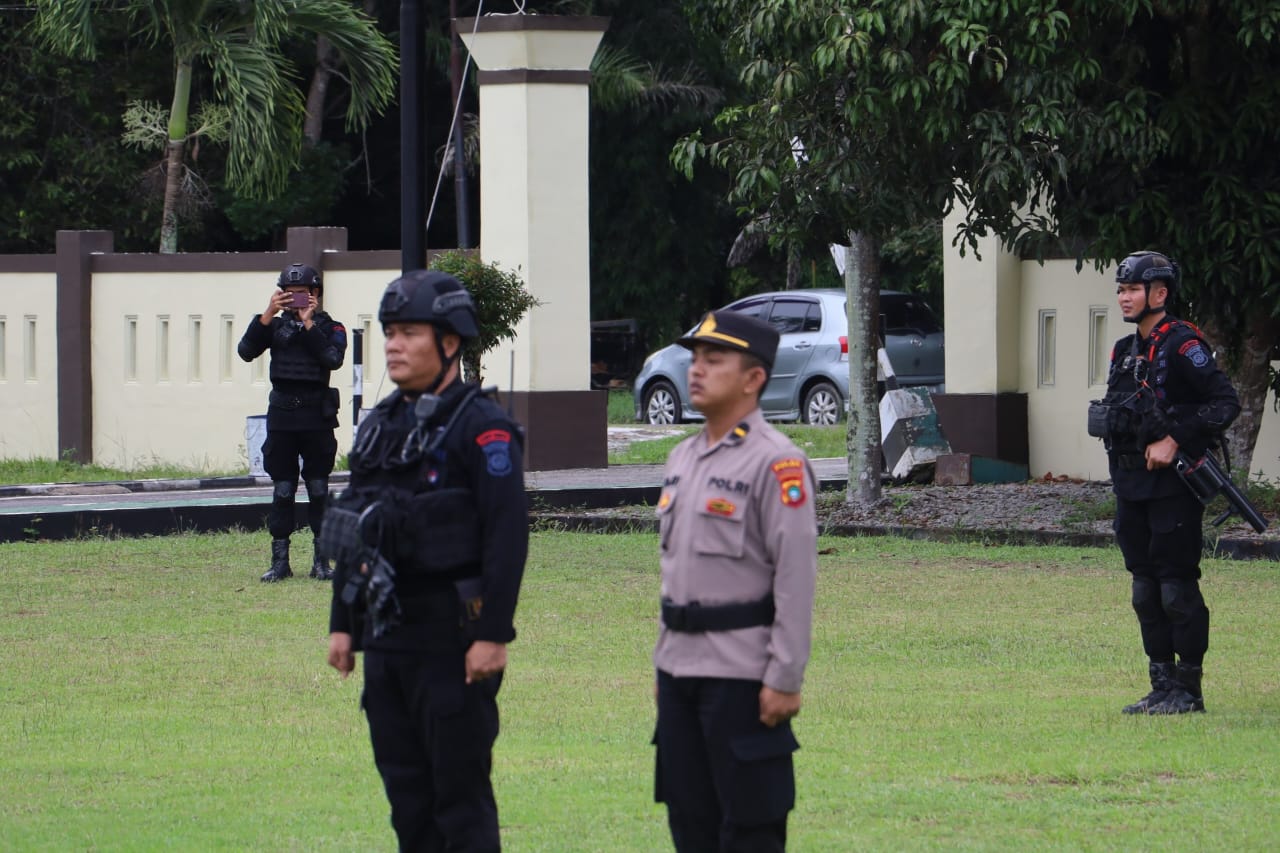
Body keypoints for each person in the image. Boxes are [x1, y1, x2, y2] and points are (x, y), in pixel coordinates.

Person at [324, 270, 528, 851]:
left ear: (449, 343)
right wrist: (342, 625)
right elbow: (352, 527)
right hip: (388, 638)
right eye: (390, 332)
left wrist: (493, 635)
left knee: (459, 802)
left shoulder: (482, 427)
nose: (393, 344)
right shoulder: (379, 427)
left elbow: (506, 535)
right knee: (407, 801)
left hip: (453, 641)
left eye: (409, 332)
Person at [651, 310, 819, 852]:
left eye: (714, 359)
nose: (696, 369)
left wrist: (785, 676)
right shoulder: (682, 458)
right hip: (680, 672)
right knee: (689, 826)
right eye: (695, 358)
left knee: (749, 832)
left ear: (754, 378)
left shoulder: (778, 464)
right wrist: (662, 664)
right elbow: (674, 572)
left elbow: (796, 577)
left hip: (742, 676)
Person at [1096, 250, 1240, 714]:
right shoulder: (1124, 350)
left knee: (1176, 587)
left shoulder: (1183, 345)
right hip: (1130, 485)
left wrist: (1174, 438)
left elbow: (1224, 403)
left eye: (1133, 289)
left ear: (1159, 293)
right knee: (1144, 588)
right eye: (1121, 289)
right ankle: (1160, 683)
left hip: (1173, 489)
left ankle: (1189, 690)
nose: (1125, 297)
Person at [238, 262, 347, 582]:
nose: (296, 300)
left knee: (318, 489)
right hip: (283, 416)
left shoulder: (332, 327)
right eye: (289, 294)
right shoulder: (272, 324)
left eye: (302, 294)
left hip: (317, 416)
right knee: (283, 490)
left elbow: (332, 359)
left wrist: (309, 324)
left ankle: (321, 561)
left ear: (315, 294)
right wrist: (268, 313)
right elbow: (245, 351)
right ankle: (280, 562)